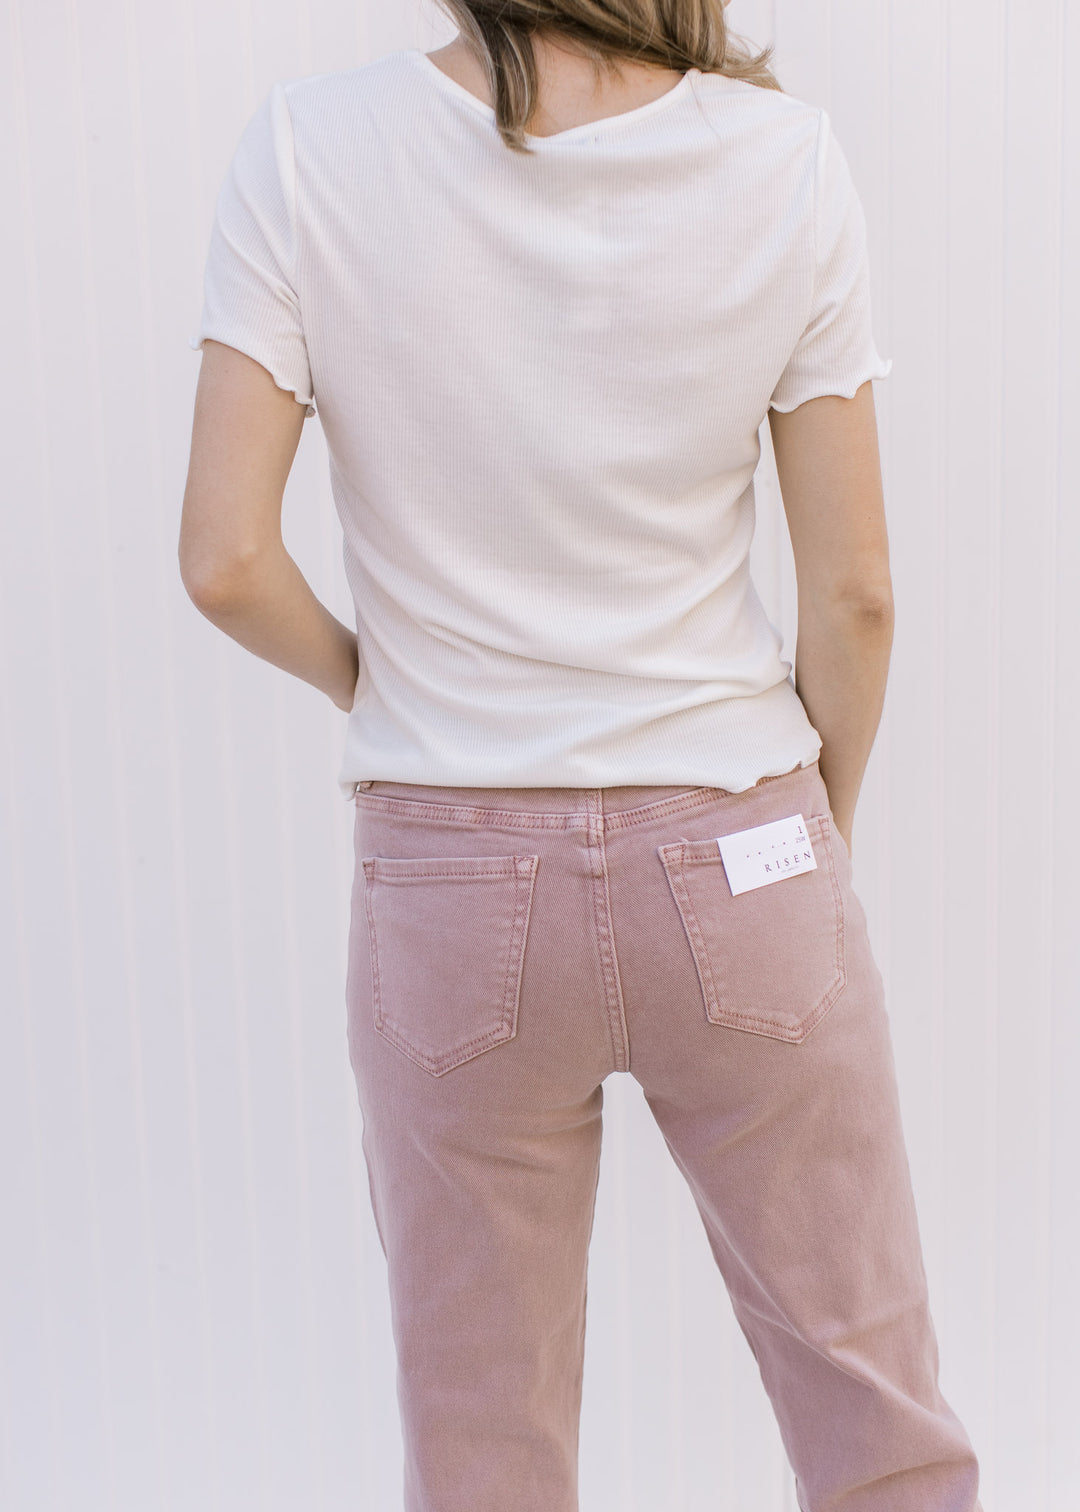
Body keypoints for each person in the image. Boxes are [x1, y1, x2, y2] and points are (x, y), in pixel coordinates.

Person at [180, 3, 984, 1508]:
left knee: (484, 1435)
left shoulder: (304, 152)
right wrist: (822, 826)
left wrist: (386, 686)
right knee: (874, 1410)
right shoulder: (783, 160)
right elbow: (858, 593)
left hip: (450, 869)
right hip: (740, 858)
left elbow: (225, 559)